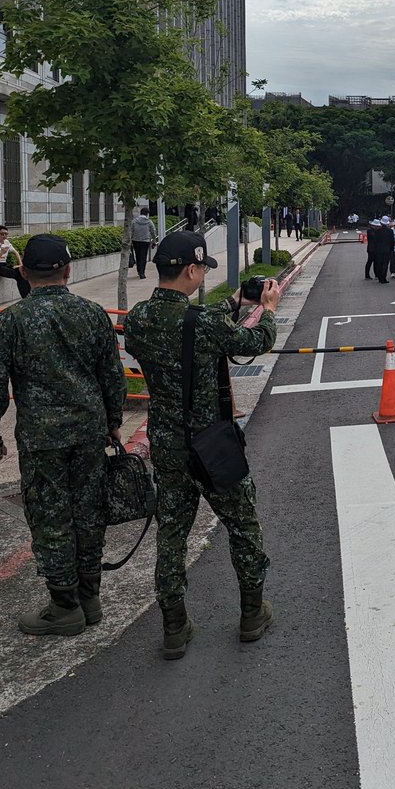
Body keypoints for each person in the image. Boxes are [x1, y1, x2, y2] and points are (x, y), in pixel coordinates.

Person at [123, 230, 280, 659]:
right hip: (212, 445)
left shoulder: (136, 319)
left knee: (171, 533)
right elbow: (254, 343)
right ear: (191, 269)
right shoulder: (205, 324)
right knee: (243, 526)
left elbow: (185, 326)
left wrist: (232, 305)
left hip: (167, 444)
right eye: (202, 270)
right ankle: (252, 614)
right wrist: (265, 310)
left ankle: (174, 627)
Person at [0, 234, 125, 635]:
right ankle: (90, 597)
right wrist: (113, 420)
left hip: (42, 440)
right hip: (90, 432)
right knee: (90, 511)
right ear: (68, 270)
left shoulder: (10, 320)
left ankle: (65, 605)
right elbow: (112, 375)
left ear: (23, 273)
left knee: (50, 518)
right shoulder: (94, 315)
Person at [0, 224, 30, 299]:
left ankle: (27, 295)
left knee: (23, 273)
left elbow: (15, 252)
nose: (4, 236)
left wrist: (21, 266)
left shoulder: (7, 242)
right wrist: (1, 253)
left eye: (6, 234)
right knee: (18, 275)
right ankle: (25, 297)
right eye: (2, 234)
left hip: (5, 264)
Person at [130, 206, 158, 279]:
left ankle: (139, 270)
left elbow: (131, 231)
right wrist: (154, 241)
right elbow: (153, 231)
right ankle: (142, 272)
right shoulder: (149, 222)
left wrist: (130, 240)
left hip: (135, 241)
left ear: (141, 213)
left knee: (138, 255)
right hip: (145, 241)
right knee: (143, 256)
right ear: (147, 214)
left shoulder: (134, 221)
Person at [373, 215, 394, 283]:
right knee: (385, 264)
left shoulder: (377, 231)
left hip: (378, 250)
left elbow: (375, 241)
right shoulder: (390, 231)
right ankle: (383, 278)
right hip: (387, 250)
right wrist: (391, 249)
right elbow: (392, 241)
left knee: (379, 264)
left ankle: (379, 277)